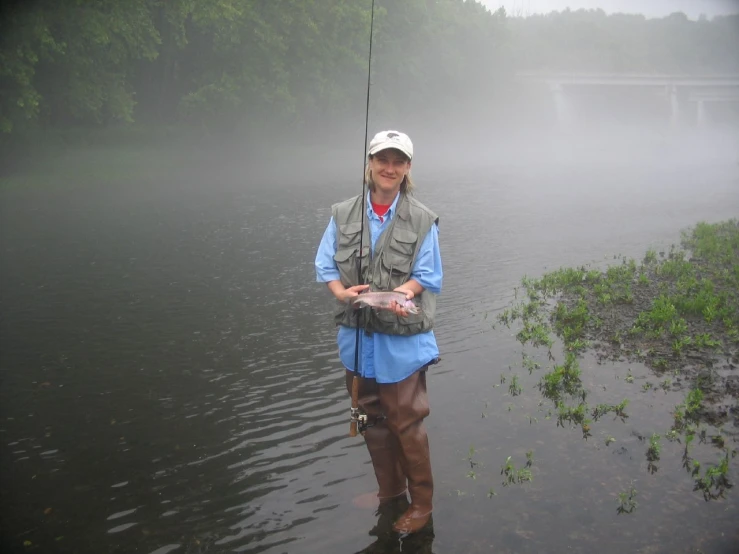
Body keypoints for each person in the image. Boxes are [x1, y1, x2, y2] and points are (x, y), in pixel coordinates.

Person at [314, 130, 443, 535]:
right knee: (371, 416)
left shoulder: (422, 219)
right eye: (382, 159)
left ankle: (421, 504)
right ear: (369, 163)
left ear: (407, 169)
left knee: (406, 420)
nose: (389, 168)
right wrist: (341, 293)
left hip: (401, 343)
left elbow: (427, 276)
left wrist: (399, 295)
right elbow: (325, 268)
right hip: (356, 342)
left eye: (398, 161)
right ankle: (390, 494)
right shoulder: (342, 213)